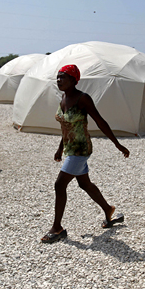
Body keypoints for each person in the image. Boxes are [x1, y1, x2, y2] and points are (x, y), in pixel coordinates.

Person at [41, 64, 130, 243]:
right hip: (70, 149)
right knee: (84, 184)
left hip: (81, 149)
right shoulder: (63, 99)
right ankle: (108, 210)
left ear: (74, 80)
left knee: (60, 185)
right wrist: (60, 149)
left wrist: (117, 144)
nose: (59, 80)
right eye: (57, 77)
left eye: (63, 77)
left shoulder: (83, 99)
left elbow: (100, 121)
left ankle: (57, 228)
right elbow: (66, 126)